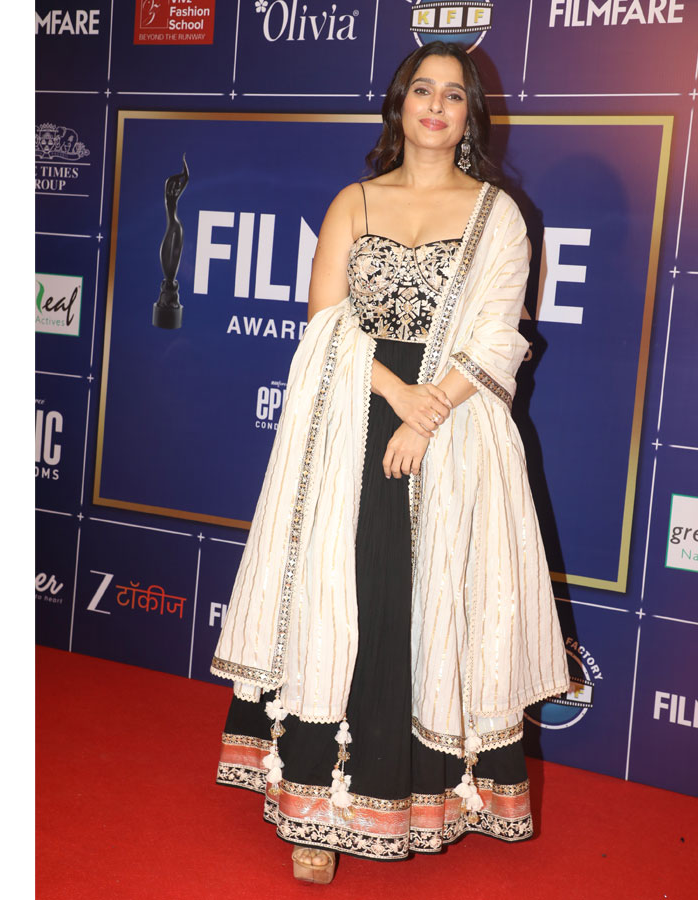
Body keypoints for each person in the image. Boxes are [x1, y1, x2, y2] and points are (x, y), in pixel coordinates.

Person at [210, 40, 570, 883]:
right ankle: (317, 810)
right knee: (345, 601)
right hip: (350, 421)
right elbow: (325, 326)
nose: (436, 106)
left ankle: (416, 798)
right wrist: (395, 396)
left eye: (454, 94)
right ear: (399, 105)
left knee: (422, 606)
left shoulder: (498, 214)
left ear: (470, 116)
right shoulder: (355, 201)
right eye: (422, 91)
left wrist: (427, 411)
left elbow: (499, 337)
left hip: (456, 426)